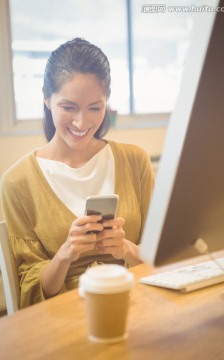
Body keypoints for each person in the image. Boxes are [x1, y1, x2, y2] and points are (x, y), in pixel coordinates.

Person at [0, 38, 154, 308]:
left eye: (95, 107)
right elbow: (29, 291)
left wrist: (126, 249)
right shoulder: (17, 183)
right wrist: (65, 255)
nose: (82, 122)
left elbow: (165, 260)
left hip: (138, 306)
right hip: (63, 320)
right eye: (69, 107)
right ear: (47, 98)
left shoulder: (135, 161)